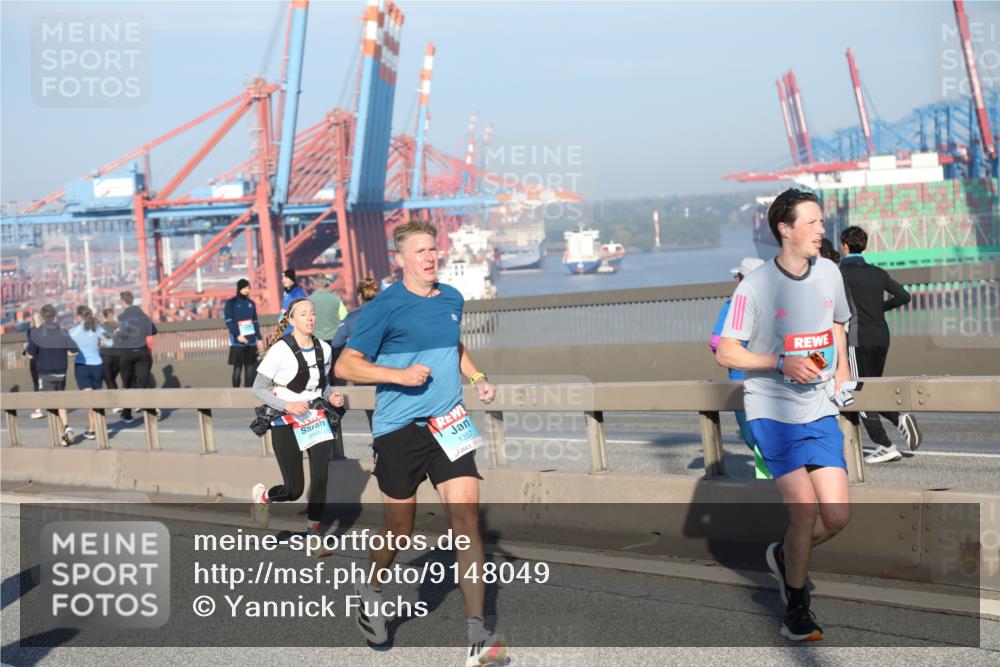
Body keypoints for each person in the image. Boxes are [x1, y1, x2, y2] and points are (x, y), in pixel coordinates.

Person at [335, 219, 507, 666]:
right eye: (420, 251)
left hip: (449, 423)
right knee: (400, 529)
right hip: (399, 430)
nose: (430, 257)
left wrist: (478, 378)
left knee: (466, 522)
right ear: (400, 259)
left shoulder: (452, 298)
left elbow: (454, 345)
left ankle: (477, 634)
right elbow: (346, 365)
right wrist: (397, 375)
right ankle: (371, 587)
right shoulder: (384, 307)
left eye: (433, 249)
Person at [716, 188, 853, 642]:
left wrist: (842, 372)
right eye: (811, 222)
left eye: (821, 222)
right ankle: (796, 607)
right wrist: (779, 362)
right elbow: (727, 352)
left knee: (837, 516)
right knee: (804, 510)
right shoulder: (753, 287)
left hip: (819, 408)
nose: (821, 230)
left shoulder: (830, 271)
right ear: (784, 229)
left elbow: (838, 324)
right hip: (772, 410)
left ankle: (783, 556)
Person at [249, 298, 345, 556]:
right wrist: (287, 405)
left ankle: (313, 538)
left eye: (312, 313)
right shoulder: (280, 350)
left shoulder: (324, 348)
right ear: (291, 320)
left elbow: (322, 385)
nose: (310, 318)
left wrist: (332, 396)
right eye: (303, 314)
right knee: (294, 490)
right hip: (286, 421)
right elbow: (258, 388)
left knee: (321, 478)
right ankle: (264, 497)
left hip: (315, 419)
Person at [839, 225, 921, 463]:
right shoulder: (877, 272)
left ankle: (884, 445)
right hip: (881, 336)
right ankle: (899, 418)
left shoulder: (840, 273)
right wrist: (879, 308)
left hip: (858, 337)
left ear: (845, 246)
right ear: (863, 246)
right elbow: (904, 296)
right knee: (872, 387)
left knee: (857, 392)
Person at [709, 257, 770, 479]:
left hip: (741, 379)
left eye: (737, 276)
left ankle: (768, 483)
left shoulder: (733, 305)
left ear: (742, 279)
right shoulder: (778, 303)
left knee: (753, 437)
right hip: (775, 377)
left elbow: (715, 343)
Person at [26, 304, 79, 445]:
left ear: (42, 317)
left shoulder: (37, 333)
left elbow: (30, 355)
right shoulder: (63, 332)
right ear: (55, 316)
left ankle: (60, 437)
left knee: (50, 405)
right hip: (61, 373)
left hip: (45, 373)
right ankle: (66, 427)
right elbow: (74, 351)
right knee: (60, 401)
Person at [68, 305, 112, 440]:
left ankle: (92, 429)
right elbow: (110, 342)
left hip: (82, 366)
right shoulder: (98, 328)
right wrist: (99, 344)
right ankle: (101, 425)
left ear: (78, 316)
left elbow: (67, 347)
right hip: (97, 365)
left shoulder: (73, 331)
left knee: (89, 400)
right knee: (97, 397)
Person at [115, 291, 158, 422]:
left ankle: (127, 413)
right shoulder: (143, 316)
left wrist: (117, 333)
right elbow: (154, 331)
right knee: (143, 381)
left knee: (127, 383)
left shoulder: (122, 317)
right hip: (142, 351)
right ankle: (151, 410)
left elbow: (123, 334)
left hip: (127, 352)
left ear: (122, 302)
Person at [224, 278, 261, 388]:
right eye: (244, 288)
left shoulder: (251, 303)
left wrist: (259, 338)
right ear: (239, 288)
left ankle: (248, 391)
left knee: (249, 368)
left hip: (251, 341)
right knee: (237, 368)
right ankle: (235, 392)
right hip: (238, 341)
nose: (246, 290)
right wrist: (237, 335)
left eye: (248, 288)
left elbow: (255, 321)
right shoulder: (231, 303)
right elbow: (228, 321)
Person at [308, 274, 348, 357]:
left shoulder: (308, 301)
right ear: (326, 282)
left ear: (314, 283)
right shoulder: (336, 298)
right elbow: (344, 317)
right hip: (335, 338)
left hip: (317, 339)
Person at [25, 312, 45, 420]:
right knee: (49, 384)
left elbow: (30, 349)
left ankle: (38, 409)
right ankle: (56, 407)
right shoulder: (47, 330)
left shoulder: (30, 331)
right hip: (47, 360)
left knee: (37, 385)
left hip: (35, 361)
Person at [100, 308, 123, 391]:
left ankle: (115, 397)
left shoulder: (100, 327)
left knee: (110, 381)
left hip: (106, 355)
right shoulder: (120, 325)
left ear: (103, 316)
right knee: (113, 380)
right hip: (119, 356)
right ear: (113, 314)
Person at [280, 269, 308, 335]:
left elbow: (303, 312)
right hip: (286, 331)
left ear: (291, 279)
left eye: (285, 278)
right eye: (283, 278)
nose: (283, 280)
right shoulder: (286, 293)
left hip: (295, 332)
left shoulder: (299, 293)